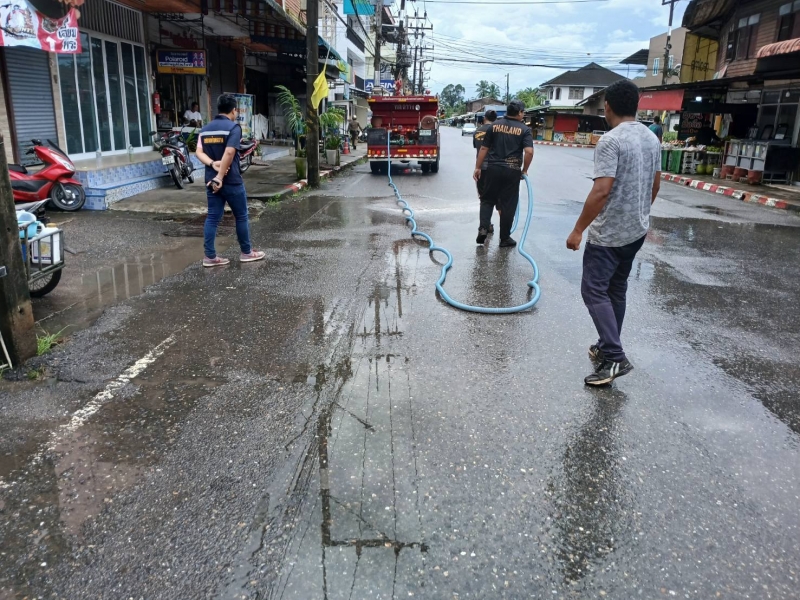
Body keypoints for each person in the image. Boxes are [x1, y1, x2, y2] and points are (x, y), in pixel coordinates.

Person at [566, 79, 661, 386]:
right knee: (616, 289)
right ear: (636, 105)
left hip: (609, 235)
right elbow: (655, 184)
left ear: (607, 107)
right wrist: (639, 213)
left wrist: (578, 230)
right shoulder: (651, 138)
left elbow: (601, 191)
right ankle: (607, 346)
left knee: (593, 290)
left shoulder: (611, 141)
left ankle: (615, 357)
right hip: (636, 231)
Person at [195, 94, 265, 268]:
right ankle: (246, 252)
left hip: (211, 181)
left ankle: (210, 256)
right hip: (231, 180)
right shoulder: (233, 128)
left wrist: (213, 164)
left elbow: (198, 152)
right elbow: (229, 152)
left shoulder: (205, 129)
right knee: (241, 216)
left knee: (212, 217)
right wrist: (220, 176)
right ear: (233, 110)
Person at [473, 99, 534, 247]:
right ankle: (505, 238)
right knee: (508, 204)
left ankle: (483, 228)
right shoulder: (524, 129)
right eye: (523, 112)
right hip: (512, 171)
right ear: (519, 113)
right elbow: (529, 152)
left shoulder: (494, 126)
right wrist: (524, 170)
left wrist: (478, 167)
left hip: (492, 169)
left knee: (487, 200)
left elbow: (484, 148)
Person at [473, 109, 497, 236]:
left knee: (484, 199)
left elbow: (478, 147)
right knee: (498, 200)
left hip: (481, 167)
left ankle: (485, 226)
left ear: (484, 118)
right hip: (495, 168)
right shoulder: (497, 131)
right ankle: (504, 234)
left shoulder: (477, 131)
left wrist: (477, 167)